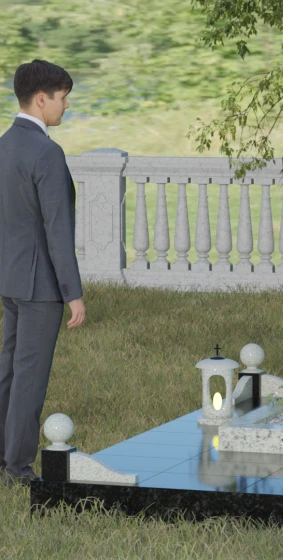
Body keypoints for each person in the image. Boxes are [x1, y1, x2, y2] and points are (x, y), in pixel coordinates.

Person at [0, 59, 86, 488]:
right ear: (40, 99)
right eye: (63, 97)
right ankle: (17, 468)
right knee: (29, 378)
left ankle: (4, 457)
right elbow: (58, 228)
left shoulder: (4, 144)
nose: (66, 105)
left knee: (10, 370)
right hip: (40, 285)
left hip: (10, 278)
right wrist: (73, 293)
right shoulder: (47, 152)